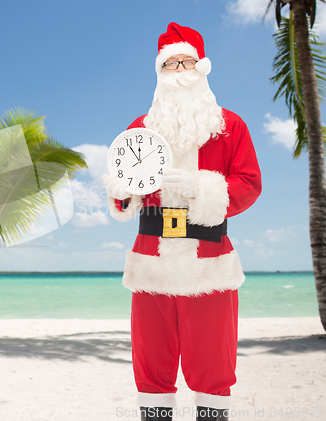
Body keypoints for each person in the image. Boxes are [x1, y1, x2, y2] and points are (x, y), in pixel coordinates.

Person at [101, 23, 262, 421]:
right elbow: (126, 194)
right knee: (151, 367)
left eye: (186, 61)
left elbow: (249, 184)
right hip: (151, 263)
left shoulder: (231, 126)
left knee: (213, 369)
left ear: (201, 68)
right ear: (160, 73)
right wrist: (120, 190)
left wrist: (200, 188)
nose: (178, 70)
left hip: (209, 263)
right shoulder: (139, 128)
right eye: (170, 63)